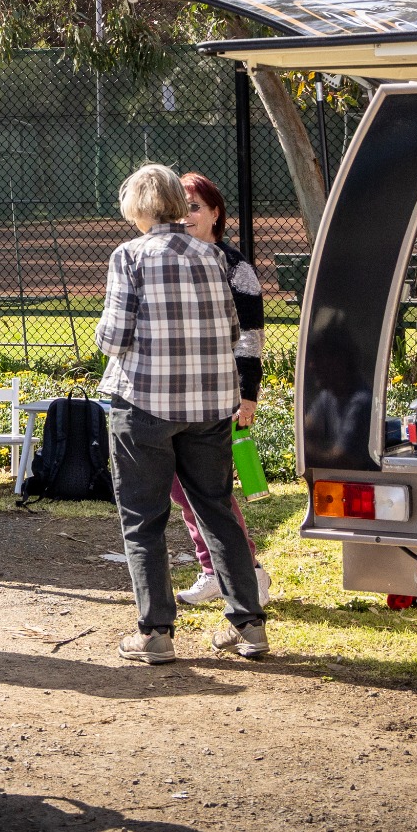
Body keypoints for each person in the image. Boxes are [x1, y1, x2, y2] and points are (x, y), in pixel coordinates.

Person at [94, 163, 270, 665]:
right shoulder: (215, 257)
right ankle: (249, 624)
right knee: (217, 510)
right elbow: (236, 329)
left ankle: (155, 631)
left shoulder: (129, 256)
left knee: (143, 520)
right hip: (211, 406)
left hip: (144, 403)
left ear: (142, 206)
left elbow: (113, 337)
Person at [168, 171, 273, 612]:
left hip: (221, 393)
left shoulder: (235, 266)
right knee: (181, 486)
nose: (187, 217)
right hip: (177, 393)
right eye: (180, 209)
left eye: (195, 207)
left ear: (215, 213)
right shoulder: (170, 259)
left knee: (206, 487)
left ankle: (246, 571)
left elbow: (250, 336)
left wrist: (247, 395)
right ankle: (216, 570)